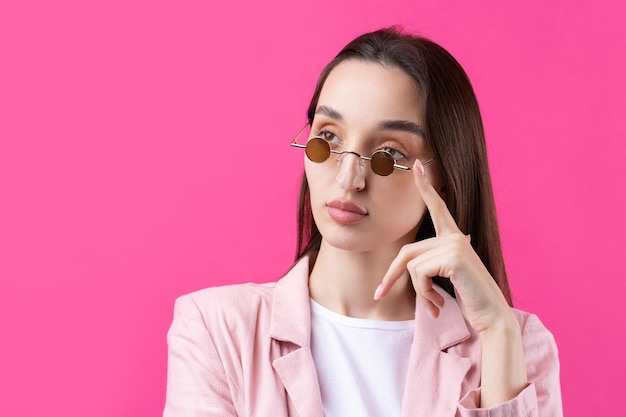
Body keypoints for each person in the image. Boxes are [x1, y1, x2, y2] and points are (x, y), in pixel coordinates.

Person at [163, 27, 562, 417]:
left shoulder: (516, 344)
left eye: (389, 153)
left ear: (443, 173)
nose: (348, 179)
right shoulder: (216, 329)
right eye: (329, 138)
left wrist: (498, 328)